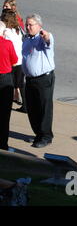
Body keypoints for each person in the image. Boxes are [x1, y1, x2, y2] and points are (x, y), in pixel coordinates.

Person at [22, 14, 54, 148]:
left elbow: (48, 41)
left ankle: (46, 136)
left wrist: (46, 36)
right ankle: (38, 134)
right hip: (29, 79)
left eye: (31, 25)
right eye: (27, 25)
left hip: (43, 79)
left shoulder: (42, 38)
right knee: (32, 108)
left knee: (44, 107)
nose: (28, 27)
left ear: (39, 26)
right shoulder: (26, 39)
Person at [1, 10, 26, 113]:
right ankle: (25, 105)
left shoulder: (5, 31)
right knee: (20, 84)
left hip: (12, 62)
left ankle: (6, 105)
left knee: (10, 86)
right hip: (21, 61)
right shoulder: (18, 29)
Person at [0, 21, 18, 151]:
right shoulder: (7, 44)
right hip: (5, 79)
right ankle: (3, 145)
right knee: (4, 115)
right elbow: (15, 60)